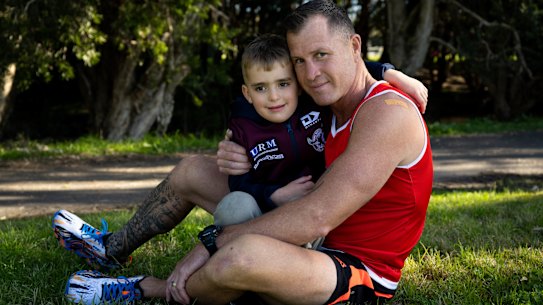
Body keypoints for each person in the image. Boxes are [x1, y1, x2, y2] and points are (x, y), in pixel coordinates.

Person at [58, 1, 433, 304]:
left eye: (321, 55)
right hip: (306, 221)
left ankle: (146, 289)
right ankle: (109, 251)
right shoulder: (329, 99)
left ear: (354, 46)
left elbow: (317, 217)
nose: (310, 73)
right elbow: (270, 92)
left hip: (353, 267)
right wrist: (243, 154)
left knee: (241, 257)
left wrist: (214, 241)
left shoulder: (388, 114)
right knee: (193, 170)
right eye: (300, 61)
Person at [214, 33, 410, 240]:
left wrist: (387, 72)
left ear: (298, 84)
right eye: (260, 88)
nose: (273, 96)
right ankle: (236, 257)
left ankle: (281, 264)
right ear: (247, 93)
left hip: (309, 214)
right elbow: (238, 182)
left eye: (283, 84)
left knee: (306, 211)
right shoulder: (243, 126)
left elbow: (344, 72)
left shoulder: (315, 104)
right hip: (263, 209)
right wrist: (273, 195)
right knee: (234, 204)